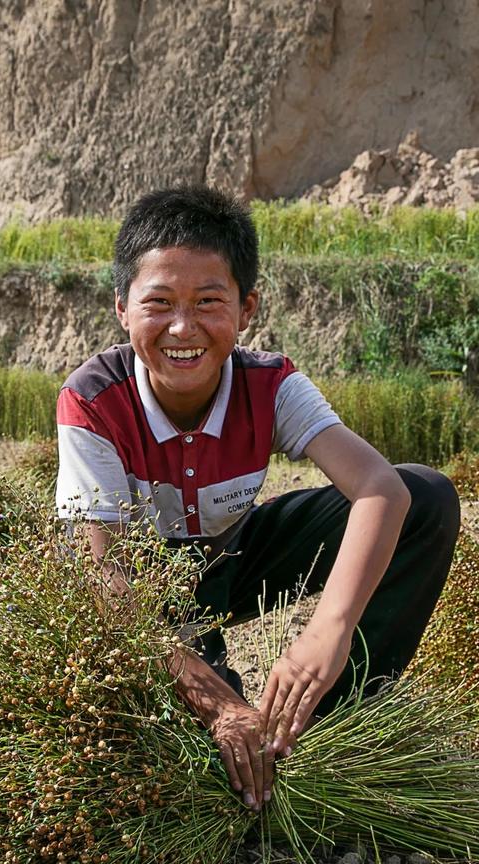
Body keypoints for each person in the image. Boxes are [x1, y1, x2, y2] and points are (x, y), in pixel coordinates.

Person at [55, 185, 460, 815]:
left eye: (208, 302)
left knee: (423, 495)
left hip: (233, 555)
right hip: (145, 593)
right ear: (122, 309)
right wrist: (218, 702)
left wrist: (329, 630)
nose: (183, 328)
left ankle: (324, 725)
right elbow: (103, 580)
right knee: (204, 760)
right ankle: (244, 727)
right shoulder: (92, 401)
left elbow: (379, 488)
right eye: (158, 303)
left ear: (246, 309)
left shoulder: (271, 384)